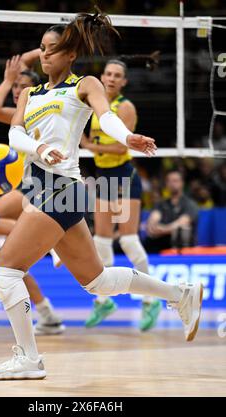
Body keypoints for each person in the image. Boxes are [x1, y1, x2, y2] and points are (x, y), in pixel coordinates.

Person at [0, 9, 203, 381]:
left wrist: (126, 138)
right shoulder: (29, 94)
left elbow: (107, 117)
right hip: (43, 187)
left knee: (6, 270)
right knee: (96, 280)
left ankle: (29, 358)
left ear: (70, 55)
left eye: (53, 49)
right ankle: (180, 294)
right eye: (42, 49)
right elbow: (14, 136)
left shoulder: (84, 84)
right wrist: (37, 150)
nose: (46, 54)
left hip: (61, 188)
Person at [0, 53, 65, 336]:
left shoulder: (42, 108)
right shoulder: (19, 114)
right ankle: (48, 315)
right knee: (13, 266)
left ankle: (51, 240)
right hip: (27, 185)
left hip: (42, 184)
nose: (15, 91)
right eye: (14, 88)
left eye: (20, 87)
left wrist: (42, 55)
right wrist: (36, 57)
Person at [81, 59, 162, 331]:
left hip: (123, 177)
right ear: (101, 77)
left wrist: (88, 145)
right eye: (108, 74)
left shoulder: (125, 107)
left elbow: (119, 148)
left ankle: (151, 301)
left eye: (117, 75)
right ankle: (103, 301)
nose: (112, 78)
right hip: (104, 178)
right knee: (101, 241)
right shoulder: (94, 106)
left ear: (124, 82)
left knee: (128, 240)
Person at [146, 170, 199, 253]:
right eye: (169, 181)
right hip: (160, 244)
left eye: (175, 181)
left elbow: (182, 223)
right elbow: (152, 223)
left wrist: (163, 229)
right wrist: (163, 229)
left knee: (183, 231)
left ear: (182, 183)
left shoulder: (190, 204)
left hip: (182, 246)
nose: (172, 184)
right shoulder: (161, 204)